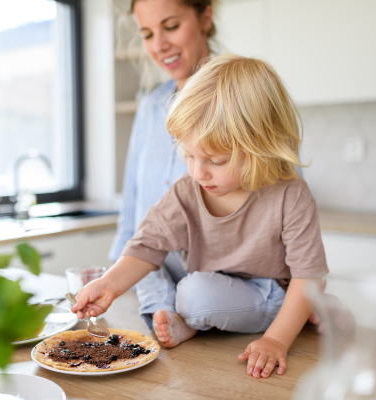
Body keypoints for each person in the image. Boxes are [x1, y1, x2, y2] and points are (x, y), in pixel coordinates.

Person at [73, 54, 328, 379]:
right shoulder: (188, 189)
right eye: (189, 155)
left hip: (265, 292)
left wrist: (275, 339)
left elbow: (309, 275)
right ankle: (181, 317)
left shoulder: (291, 195)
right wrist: (108, 284)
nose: (198, 172)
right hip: (211, 276)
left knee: (195, 295)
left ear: (262, 145)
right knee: (153, 265)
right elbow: (145, 245)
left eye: (216, 161)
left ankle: (288, 312)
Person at [110, 0, 217, 330]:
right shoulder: (151, 107)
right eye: (147, 33)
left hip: (224, 301)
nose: (159, 45)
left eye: (171, 26)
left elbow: (281, 216)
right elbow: (132, 221)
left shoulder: (245, 98)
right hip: (156, 300)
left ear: (205, 17)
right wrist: (115, 282)